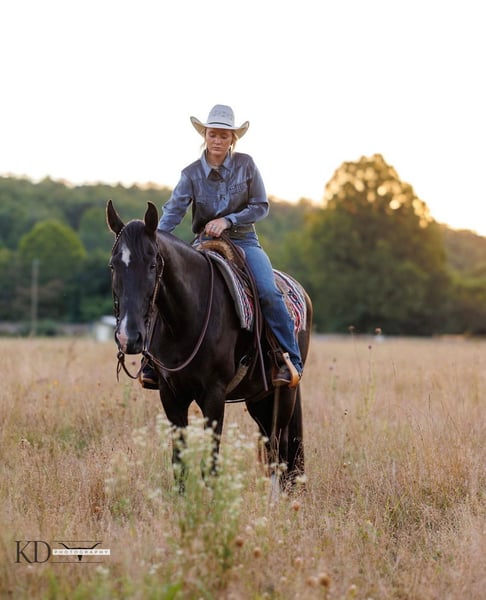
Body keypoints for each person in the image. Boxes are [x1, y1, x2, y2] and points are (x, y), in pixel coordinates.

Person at [142, 104, 303, 389]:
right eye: (213, 134)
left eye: (224, 136)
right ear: (205, 135)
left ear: (232, 139)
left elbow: (261, 206)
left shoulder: (246, 165)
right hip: (203, 243)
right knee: (162, 287)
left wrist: (228, 220)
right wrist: (154, 238)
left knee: (267, 291)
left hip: (244, 240)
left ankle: (287, 359)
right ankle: (152, 361)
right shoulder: (190, 174)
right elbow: (174, 211)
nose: (217, 140)